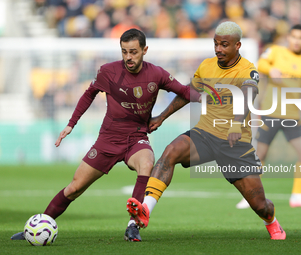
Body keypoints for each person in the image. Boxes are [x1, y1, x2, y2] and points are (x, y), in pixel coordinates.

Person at [10, 28, 201, 242]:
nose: (128, 57)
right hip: (108, 140)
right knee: (74, 188)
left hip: (136, 138)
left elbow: (184, 91)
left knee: (147, 162)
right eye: (124, 52)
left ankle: (132, 225)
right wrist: (71, 124)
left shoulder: (157, 74)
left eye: (133, 52)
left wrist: (207, 98)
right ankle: (38, 227)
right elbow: (88, 94)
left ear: (145, 50)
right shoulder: (108, 71)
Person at [126, 21, 286, 240]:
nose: (218, 49)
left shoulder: (248, 70)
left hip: (234, 144)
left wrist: (238, 123)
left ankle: (272, 222)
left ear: (237, 45)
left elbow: (248, 96)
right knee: (169, 152)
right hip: (205, 134)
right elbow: (188, 93)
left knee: (261, 206)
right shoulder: (206, 66)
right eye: (216, 43)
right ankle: (146, 210)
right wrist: (162, 117)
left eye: (224, 45)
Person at [236, 24, 301, 210]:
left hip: (293, 117)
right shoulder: (276, 52)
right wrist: (271, 70)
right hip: (270, 113)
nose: (296, 40)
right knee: (259, 155)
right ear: (289, 37)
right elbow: (261, 63)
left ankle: (298, 196)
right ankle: (251, 196)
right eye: (293, 36)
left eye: (300, 38)